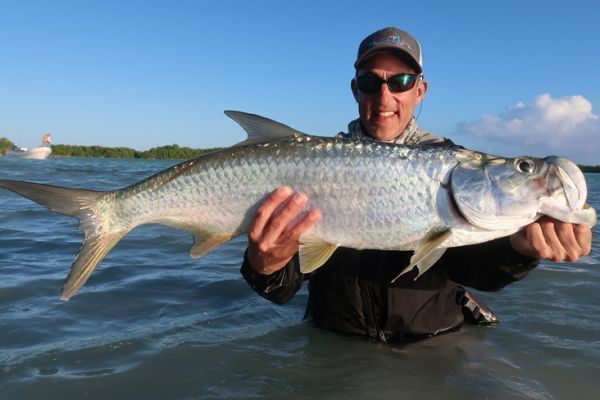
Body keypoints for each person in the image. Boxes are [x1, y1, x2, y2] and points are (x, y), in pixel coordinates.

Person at [240, 27, 593, 342]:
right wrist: (265, 266)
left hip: (432, 347)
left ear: (419, 90)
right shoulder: (313, 163)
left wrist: (519, 250)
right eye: (369, 81)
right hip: (334, 346)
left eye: (400, 82)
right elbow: (282, 290)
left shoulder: (448, 161)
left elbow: (475, 268)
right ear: (355, 89)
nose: (384, 96)